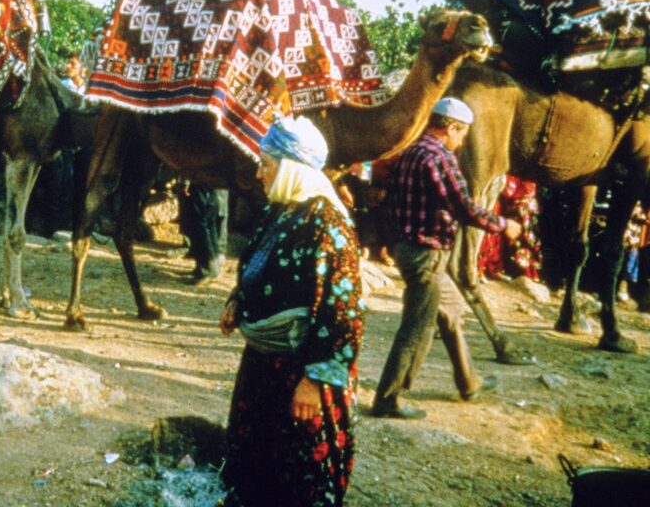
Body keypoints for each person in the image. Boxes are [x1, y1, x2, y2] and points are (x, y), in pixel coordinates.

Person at [219, 115, 364, 507]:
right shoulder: (279, 212)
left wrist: (316, 380)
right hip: (264, 367)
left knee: (301, 474)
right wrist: (238, 301)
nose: (259, 172)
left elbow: (344, 310)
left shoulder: (328, 225)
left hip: (301, 374)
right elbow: (256, 263)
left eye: (267, 164)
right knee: (256, 465)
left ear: (291, 167)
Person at [371, 97, 520, 419]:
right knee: (417, 329)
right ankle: (388, 399)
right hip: (428, 254)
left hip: (410, 248)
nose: (462, 140)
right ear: (451, 127)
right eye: (462, 133)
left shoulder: (411, 151)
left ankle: (469, 381)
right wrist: (503, 224)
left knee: (451, 312)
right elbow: (464, 207)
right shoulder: (439, 157)